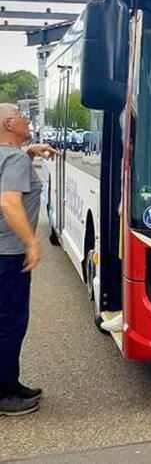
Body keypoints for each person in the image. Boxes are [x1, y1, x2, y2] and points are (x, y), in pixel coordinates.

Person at [0, 104, 57, 416]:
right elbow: (9, 203)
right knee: (11, 325)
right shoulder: (15, 159)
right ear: (10, 123)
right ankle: (5, 394)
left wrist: (30, 152)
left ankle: (10, 382)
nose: (27, 119)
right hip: (8, 256)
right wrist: (31, 242)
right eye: (22, 117)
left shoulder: (10, 156)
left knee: (6, 323)